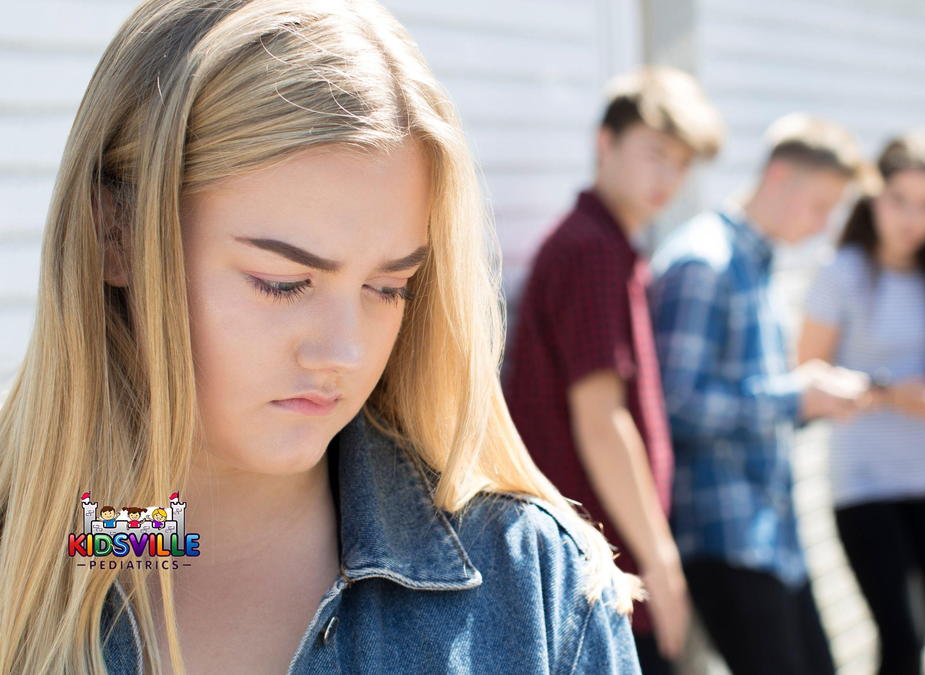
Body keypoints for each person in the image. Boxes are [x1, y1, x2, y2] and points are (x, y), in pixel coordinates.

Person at [0, 1, 640, 672]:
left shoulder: (536, 588)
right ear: (115, 235)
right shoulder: (91, 542)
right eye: (282, 281)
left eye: (388, 287)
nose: (348, 352)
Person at [503, 65, 723, 674]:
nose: (669, 178)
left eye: (682, 164)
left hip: (597, 567)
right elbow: (602, 420)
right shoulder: (591, 250)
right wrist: (661, 564)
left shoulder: (611, 248)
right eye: (656, 154)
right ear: (606, 142)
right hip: (603, 573)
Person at [649, 113, 869, 675]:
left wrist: (815, 401)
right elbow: (676, 406)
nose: (823, 226)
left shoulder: (758, 264)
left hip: (771, 535)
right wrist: (797, 399)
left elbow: (748, 400)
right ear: (778, 176)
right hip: (724, 536)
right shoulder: (704, 262)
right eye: (820, 206)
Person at [796, 131, 925, 675]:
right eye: (900, 200)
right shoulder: (840, 272)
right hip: (864, 484)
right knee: (902, 636)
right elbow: (808, 377)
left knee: (913, 643)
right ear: (874, 198)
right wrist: (893, 393)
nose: (912, 218)